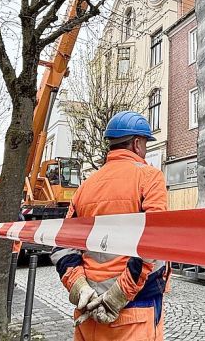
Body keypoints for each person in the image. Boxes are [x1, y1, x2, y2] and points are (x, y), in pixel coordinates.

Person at [52, 111, 168, 341]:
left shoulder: (86, 186)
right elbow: (153, 242)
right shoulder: (150, 177)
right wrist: (117, 295)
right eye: (145, 144)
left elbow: (63, 246)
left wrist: (80, 288)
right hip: (134, 308)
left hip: (88, 308)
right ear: (137, 143)